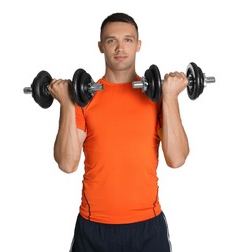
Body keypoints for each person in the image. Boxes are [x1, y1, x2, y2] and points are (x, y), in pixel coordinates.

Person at [48, 13, 189, 252]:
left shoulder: (157, 98)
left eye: (128, 40)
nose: (120, 47)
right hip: (94, 226)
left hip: (147, 226)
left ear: (139, 45)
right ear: (101, 46)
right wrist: (65, 104)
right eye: (112, 40)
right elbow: (67, 163)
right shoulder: (84, 99)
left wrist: (171, 97)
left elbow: (176, 159)